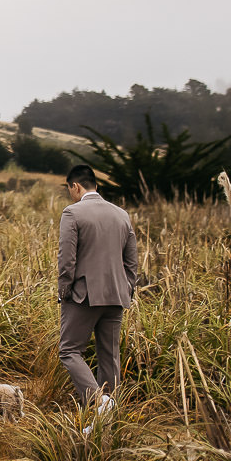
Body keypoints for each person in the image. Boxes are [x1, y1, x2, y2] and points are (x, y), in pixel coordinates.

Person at [56, 163, 137, 418]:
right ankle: (109, 419)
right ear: (96, 185)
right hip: (117, 295)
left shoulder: (72, 213)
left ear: (75, 186)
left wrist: (64, 291)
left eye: (70, 189)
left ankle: (99, 402)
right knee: (110, 357)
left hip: (84, 295)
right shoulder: (121, 214)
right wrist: (127, 288)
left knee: (69, 351)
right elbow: (131, 260)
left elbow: (66, 259)